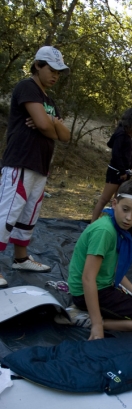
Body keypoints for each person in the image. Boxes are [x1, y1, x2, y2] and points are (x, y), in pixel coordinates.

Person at [0, 46, 71, 289]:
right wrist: (50, 123)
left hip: (40, 165)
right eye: (51, 70)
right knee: (7, 213)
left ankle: (20, 258)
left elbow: (64, 135)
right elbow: (45, 124)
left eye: (58, 72)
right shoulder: (26, 87)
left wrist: (47, 121)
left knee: (29, 214)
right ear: (38, 65)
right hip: (20, 161)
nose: (55, 76)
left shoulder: (48, 101)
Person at [68, 180, 132, 340]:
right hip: (88, 292)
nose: (128, 218)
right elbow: (88, 278)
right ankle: (88, 319)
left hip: (103, 286)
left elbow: (114, 270)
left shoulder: (116, 227)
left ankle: (89, 315)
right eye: (125, 210)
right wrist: (97, 326)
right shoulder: (105, 231)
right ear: (114, 203)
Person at [91, 108, 132, 223]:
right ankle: (92, 224)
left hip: (125, 172)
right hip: (116, 172)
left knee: (118, 200)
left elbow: (130, 153)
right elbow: (116, 153)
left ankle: (112, 224)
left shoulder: (130, 134)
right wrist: (122, 171)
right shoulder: (121, 133)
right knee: (104, 199)